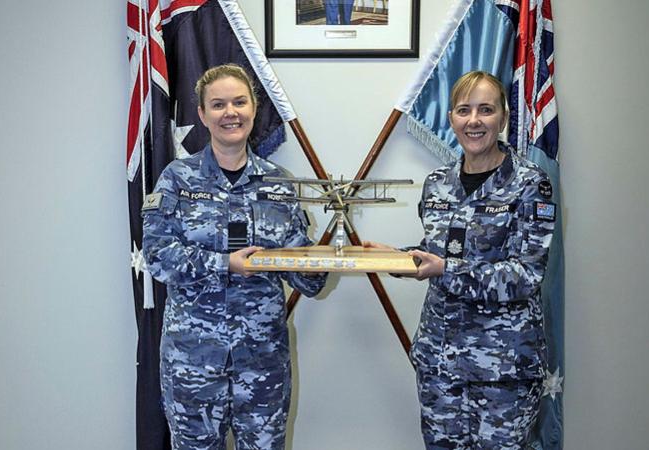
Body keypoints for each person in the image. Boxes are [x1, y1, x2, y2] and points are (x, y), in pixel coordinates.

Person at [366, 71, 556, 449]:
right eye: (463, 110)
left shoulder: (530, 183)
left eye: (486, 110)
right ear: (451, 117)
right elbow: (436, 251)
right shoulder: (437, 182)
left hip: (502, 369)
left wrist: (445, 270)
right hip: (441, 363)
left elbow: (524, 275)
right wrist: (399, 260)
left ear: (503, 117)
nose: (474, 121)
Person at [142, 64, 327, 450]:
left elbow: (308, 280)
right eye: (219, 104)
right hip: (193, 362)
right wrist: (226, 263)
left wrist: (332, 257)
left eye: (240, 102)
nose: (231, 113)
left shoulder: (279, 184)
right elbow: (158, 257)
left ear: (254, 108)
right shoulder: (177, 179)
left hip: (261, 363)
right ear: (203, 115)